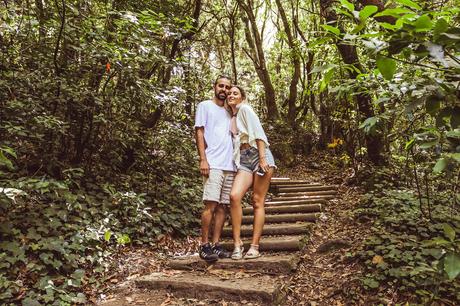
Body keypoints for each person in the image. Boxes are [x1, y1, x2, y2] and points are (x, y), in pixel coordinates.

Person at [227, 85, 276, 260]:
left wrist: (262, 159)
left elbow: (259, 134)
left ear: (242, 98)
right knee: (234, 196)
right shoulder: (232, 116)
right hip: (244, 159)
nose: (231, 95)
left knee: (257, 201)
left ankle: (254, 246)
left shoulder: (245, 109)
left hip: (259, 155)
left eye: (235, 93)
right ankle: (237, 244)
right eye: (230, 93)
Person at [194, 75, 235, 261]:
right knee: (210, 204)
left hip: (230, 165)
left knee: (223, 208)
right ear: (214, 87)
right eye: (221, 86)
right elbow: (199, 131)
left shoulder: (230, 110)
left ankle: (216, 245)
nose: (224, 90)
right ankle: (204, 245)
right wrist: (203, 159)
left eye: (227, 87)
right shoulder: (205, 106)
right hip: (213, 163)